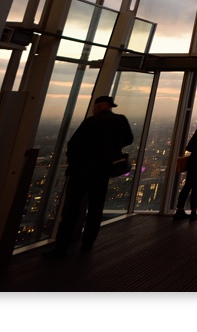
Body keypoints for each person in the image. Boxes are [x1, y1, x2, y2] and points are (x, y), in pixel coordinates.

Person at [44, 95, 133, 258]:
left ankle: (61, 247)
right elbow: (129, 139)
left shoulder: (91, 122)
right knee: (95, 209)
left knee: (71, 210)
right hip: (103, 172)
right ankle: (87, 243)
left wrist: (76, 161)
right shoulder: (120, 120)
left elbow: (73, 144)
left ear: (98, 106)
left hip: (81, 171)